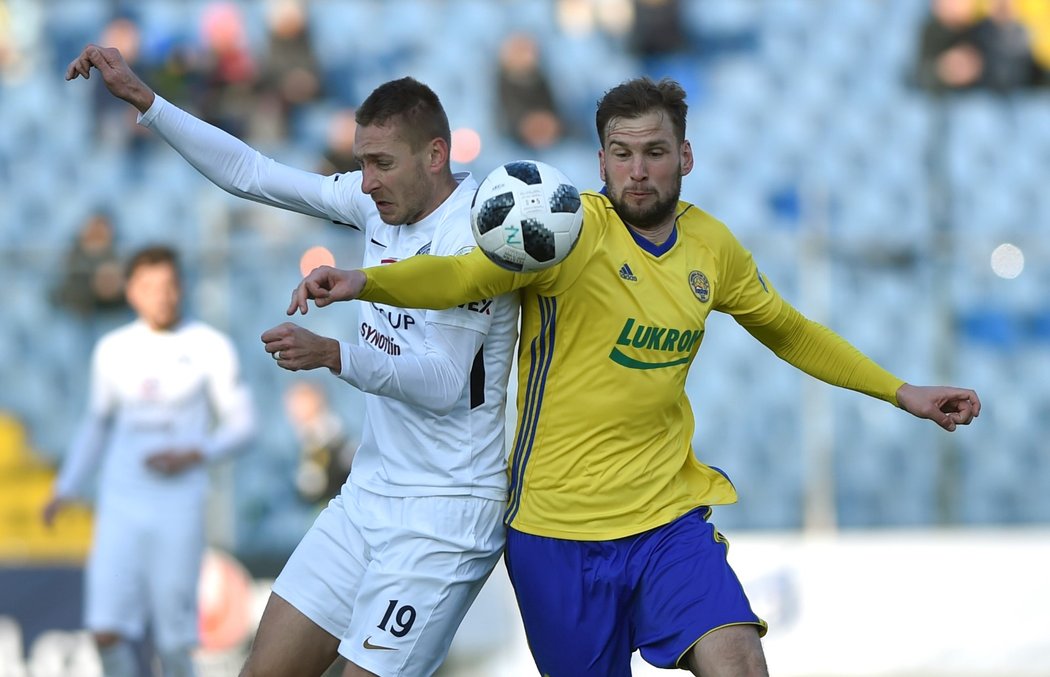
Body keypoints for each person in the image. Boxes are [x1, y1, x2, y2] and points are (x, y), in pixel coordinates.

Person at [286, 77, 982, 677]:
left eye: (654, 152)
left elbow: (789, 329)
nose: (638, 171)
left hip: (665, 520)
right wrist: (366, 281)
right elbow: (461, 272)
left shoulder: (713, 246)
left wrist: (902, 391)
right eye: (621, 154)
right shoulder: (563, 231)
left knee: (738, 656)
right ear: (601, 161)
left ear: (684, 155)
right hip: (554, 532)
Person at [65, 45, 519, 677]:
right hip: (368, 496)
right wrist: (149, 103)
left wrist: (337, 355)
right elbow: (253, 172)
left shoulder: (482, 234)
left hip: (445, 515)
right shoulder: (376, 207)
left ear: (435, 155)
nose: (366, 182)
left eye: (382, 164)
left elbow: (445, 384)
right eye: (361, 163)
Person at [42, 245, 256, 677]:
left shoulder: (210, 347)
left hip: (178, 507)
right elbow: (97, 424)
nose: (162, 295)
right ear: (131, 291)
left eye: (170, 285)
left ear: (182, 287)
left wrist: (197, 451)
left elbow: (243, 425)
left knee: (175, 641)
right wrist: (65, 487)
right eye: (150, 286)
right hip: (121, 504)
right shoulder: (113, 350)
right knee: (105, 631)